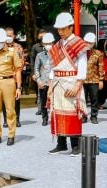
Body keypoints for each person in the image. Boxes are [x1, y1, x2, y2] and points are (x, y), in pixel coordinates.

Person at [47, 13, 88, 157]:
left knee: (72, 113)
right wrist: (50, 86)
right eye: (59, 29)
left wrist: (78, 84)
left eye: (64, 28)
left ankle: (76, 145)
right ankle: (61, 144)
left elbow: (82, 65)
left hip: (72, 82)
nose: (61, 32)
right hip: (58, 82)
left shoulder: (78, 43)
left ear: (71, 27)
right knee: (58, 112)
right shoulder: (57, 45)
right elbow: (52, 67)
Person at [2, 27, 24, 128]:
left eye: (10, 36)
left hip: (15, 78)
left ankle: (17, 119)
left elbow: (21, 63)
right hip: (4, 78)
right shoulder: (1, 47)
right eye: (6, 36)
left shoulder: (18, 48)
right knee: (4, 100)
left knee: (16, 99)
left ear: (14, 36)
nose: (8, 37)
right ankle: (6, 120)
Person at [82, 33, 104, 124]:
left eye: (90, 42)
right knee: (82, 99)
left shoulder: (98, 53)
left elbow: (101, 67)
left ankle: (94, 116)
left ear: (94, 43)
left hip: (94, 80)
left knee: (94, 99)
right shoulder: (80, 52)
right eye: (86, 42)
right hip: (82, 80)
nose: (88, 44)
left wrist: (101, 80)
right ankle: (83, 116)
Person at [34, 33, 55, 126]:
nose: (48, 45)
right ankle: (45, 118)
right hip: (43, 82)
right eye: (46, 43)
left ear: (53, 43)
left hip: (55, 82)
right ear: (43, 44)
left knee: (55, 102)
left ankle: (54, 118)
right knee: (43, 102)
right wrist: (38, 81)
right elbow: (36, 69)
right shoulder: (39, 55)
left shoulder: (57, 54)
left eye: (50, 43)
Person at [31, 29, 46, 115]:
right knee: (40, 92)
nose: (42, 38)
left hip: (49, 73)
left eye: (44, 36)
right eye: (41, 36)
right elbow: (32, 60)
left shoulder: (52, 46)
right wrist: (33, 73)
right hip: (39, 72)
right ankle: (40, 109)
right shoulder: (35, 47)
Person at [97, 39, 107, 108]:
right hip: (102, 73)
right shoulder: (100, 53)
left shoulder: (104, 53)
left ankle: (102, 103)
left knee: (104, 89)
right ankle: (100, 103)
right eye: (105, 42)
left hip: (104, 73)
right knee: (102, 89)